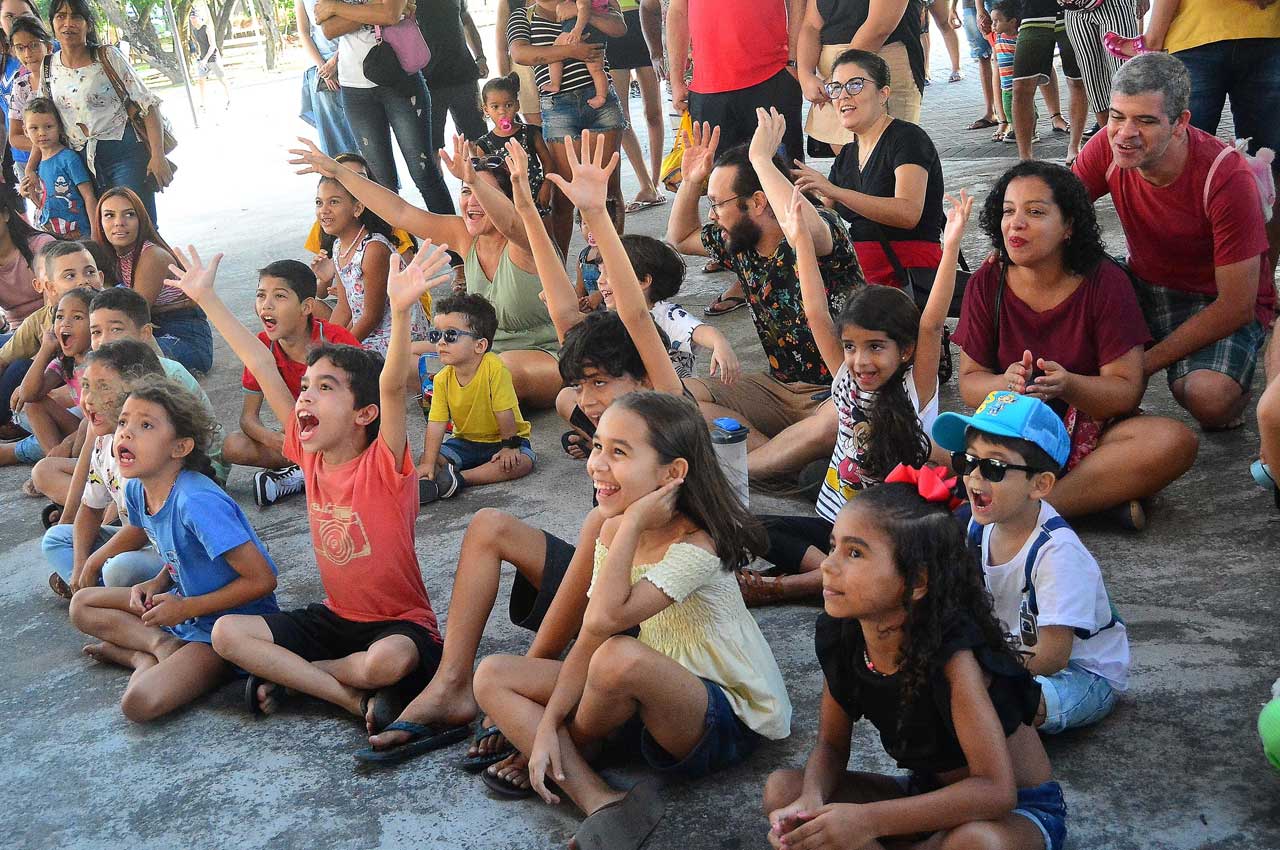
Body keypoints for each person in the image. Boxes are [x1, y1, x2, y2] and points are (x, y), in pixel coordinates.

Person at [355, 130, 687, 775]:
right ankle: (454, 687)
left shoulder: (668, 414)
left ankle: (543, 722)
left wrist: (592, 213)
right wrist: (533, 213)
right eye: (582, 384)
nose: (587, 398)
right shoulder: (602, 425)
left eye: (602, 383)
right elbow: (567, 309)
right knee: (490, 527)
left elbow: (640, 325)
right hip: (605, 591)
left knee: (578, 625)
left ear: (644, 380)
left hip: (658, 615)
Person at [475, 391, 792, 850]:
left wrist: (634, 522)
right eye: (599, 446)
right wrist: (545, 727)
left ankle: (573, 753)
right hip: (643, 695)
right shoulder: (612, 528)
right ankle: (597, 796)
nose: (598, 464)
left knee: (616, 657)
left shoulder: (698, 546)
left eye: (619, 452)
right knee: (493, 674)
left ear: (673, 474)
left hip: (719, 713)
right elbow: (587, 635)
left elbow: (606, 620)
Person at [178, 243, 454, 732]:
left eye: (325, 388)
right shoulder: (309, 455)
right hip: (334, 619)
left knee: (387, 663)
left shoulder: (385, 464)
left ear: (364, 415)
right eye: (306, 386)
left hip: (399, 625)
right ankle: (344, 696)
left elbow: (391, 385)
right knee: (227, 634)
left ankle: (300, 679)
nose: (305, 394)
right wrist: (207, 299)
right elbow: (263, 366)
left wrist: (403, 306)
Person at [763, 470, 1066, 850]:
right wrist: (812, 799)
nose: (828, 564)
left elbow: (995, 791)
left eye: (854, 553)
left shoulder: (954, 660)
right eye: (833, 545)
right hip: (927, 798)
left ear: (917, 582)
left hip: (1012, 814)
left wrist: (866, 821)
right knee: (784, 793)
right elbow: (831, 746)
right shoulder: (844, 636)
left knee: (975, 844)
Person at [740, 187, 960, 606]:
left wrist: (949, 248)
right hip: (836, 521)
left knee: (887, 566)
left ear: (905, 351)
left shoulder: (917, 391)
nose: (861, 360)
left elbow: (931, 324)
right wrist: (802, 239)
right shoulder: (845, 377)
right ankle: (828, 574)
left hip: (886, 536)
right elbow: (815, 311)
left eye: (876, 347)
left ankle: (790, 585)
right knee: (752, 528)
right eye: (852, 347)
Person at [956, 159, 1199, 528]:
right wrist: (1006, 384)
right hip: (1010, 435)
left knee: (1173, 441)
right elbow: (970, 383)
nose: (1016, 223)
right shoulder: (987, 281)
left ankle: (1032, 511)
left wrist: (1068, 385)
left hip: (1091, 440)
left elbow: (1125, 391)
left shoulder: (1106, 282)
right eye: (1008, 211)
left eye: (1035, 212)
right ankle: (1093, 506)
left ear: (1068, 226)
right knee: (925, 439)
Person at [1073, 53, 1273, 431]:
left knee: (1209, 399)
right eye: (1117, 116)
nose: (1124, 133)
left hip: (1214, 299)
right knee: (1050, 255)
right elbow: (1058, 207)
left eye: (1145, 120)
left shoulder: (1226, 176)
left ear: (1180, 123)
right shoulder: (1108, 143)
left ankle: (1243, 370)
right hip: (1144, 282)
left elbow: (1236, 306)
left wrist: (1140, 367)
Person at [289, 134, 564, 409]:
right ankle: (463, 396)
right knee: (400, 359)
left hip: (541, 354)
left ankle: (462, 397)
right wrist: (337, 170)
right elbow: (400, 212)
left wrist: (475, 181)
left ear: (507, 200)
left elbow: (511, 222)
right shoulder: (465, 236)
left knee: (500, 370)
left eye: (482, 192)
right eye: (466, 191)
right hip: (482, 351)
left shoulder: (528, 239)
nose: (471, 201)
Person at [666, 112, 865, 481]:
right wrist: (692, 182)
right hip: (778, 390)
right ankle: (778, 461)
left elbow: (801, 226)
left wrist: (761, 159)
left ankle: (745, 470)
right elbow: (680, 237)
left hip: (835, 392)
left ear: (757, 202)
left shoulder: (821, 229)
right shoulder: (739, 242)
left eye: (717, 203)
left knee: (835, 423)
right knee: (678, 397)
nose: (713, 216)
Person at [68, 379, 279, 723]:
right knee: (82, 604)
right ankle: (158, 646)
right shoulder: (138, 489)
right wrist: (156, 583)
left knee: (137, 703)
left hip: (227, 629)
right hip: (183, 608)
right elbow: (179, 554)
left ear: (179, 447)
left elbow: (263, 580)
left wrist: (186, 608)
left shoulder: (196, 501)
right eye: (123, 422)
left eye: (145, 425)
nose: (125, 434)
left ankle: (142, 658)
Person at [933, 392, 1131, 735]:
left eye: (993, 467)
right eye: (967, 461)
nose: (974, 478)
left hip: (1081, 673)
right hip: (1009, 651)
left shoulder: (1058, 553)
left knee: (1013, 701)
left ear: (1040, 484)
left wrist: (984, 669)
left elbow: (1054, 656)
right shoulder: (976, 527)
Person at [31, 285, 230, 509]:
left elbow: (164, 454)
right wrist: (70, 520)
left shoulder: (160, 375)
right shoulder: (104, 375)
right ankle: (104, 509)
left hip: (186, 473)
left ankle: (117, 512)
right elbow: (90, 444)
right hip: (132, 464)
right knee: (44, 471)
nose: (104, 340)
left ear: (144, 333)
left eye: (115, 329)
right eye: (96, 332)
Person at [668, 0, 807, 311]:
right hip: (709, 86)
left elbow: (797, 4)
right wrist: (677, 78)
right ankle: (742, 270)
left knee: (782, 176)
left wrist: (796, 63)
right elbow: (678, 12)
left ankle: (800, 264)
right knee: (724, 187)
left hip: (771, 75)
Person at [791, 49, 947, 289]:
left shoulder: (907, 138)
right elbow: (823, 216)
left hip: (907, 269)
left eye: (855, 85)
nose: (843, 96)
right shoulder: (847, 155)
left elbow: (908, 213)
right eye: (836, 87)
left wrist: (835, 191)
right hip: (862, 269)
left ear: (883, 94)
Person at [221, 259, 358, 506]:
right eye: (261, 296)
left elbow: (368, 402)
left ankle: (303, 473)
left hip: (343, 432)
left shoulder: (335, 340)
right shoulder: (262, 346)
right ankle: (307, 471)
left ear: (306, 307)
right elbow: (248, 418)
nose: (267, 306)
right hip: (299, 434)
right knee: (233, 445)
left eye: (280, 296)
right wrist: (277, 440)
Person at [41, 340, 166, 599]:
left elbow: (141, 528)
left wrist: (94, 562)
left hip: (166, 553)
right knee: (56, 539)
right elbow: (89, 509)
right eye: (85, 387)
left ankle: (102, 600)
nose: (88, 401)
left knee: (117, 569)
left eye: (103, 388)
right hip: (135, 546)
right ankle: (98, 595)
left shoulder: (148, 447)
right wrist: (79, 564)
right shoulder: (104, 442)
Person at [32, 0, 172, 224]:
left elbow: (148, 105)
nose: (68, 23)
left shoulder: (107, 56)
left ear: (88, 24)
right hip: (79, 163)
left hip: (124, 153)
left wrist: (157, 156)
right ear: (52, 24)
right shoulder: (48, 66)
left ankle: (157, 260)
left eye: (76, 16)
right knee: (103, 233)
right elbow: (42, 121)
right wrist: (31, 169)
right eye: (61, 16)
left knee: (137, 225)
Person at [507, 0, 628, 252]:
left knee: (609, 191)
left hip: (600, 101)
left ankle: (614, 271)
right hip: (558, 106)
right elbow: (520, 53)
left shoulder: (587, 2)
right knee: (563, 197)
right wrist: (572, 51)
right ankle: (561, 269)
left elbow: (619, 27)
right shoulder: (523, 15)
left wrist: (584, 13)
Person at [313, 0, 456, 214]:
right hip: (355, 88)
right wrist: (375, 11)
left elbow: (389, 14)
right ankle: (400, 246)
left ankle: (457, 245)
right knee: (381, 184)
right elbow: (330, 29)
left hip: (400, 80)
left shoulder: (336, 6)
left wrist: (335, 8)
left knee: (424, 174)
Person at [418, 293, 536, 501]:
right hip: (465, 442)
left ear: (480, 345)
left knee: (522, 462)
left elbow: (504, 412)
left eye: (451, 335)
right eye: (436, 335)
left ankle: (461, 478)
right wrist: (428, 462)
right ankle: (433, 479)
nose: (441, 342)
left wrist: (509, 446)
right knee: (428, 457)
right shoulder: (442, 378)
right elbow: (436, 423)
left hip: (504, 440)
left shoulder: (494, 368)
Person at [94, 187, 214, 376]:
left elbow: (132, 316)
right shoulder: (114, 255)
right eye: (109, 215)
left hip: (183, 337)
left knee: (121, 365)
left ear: (141, 220)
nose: (119, 223)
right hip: (152, 331)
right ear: (100, 223)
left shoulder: (152, 255)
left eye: (129, 215)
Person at [314, 171, 430, 355]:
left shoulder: (373, 249)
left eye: (334, 202)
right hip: (369, 335)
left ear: (358, 208)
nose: (324, 210)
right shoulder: (338, 247)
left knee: (337, 370)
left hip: (396, 338)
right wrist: (325, 345)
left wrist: (340, 350)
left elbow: (372, 316)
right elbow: (344, 308)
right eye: (319, 202)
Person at [796, 0, 928, 150]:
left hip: (878, 62)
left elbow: (880, 25)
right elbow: (811, 25)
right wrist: (805, 73)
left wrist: (836, 81)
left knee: (888, 154)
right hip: (831, 76)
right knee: (847, 159)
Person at [0, 240, 86, 441]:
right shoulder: (43, 321)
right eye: (70, 275)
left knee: (21, 367)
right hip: (62, 387)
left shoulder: (106, 315)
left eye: (89, 272)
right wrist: (46, 350)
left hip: (89, 405)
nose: (83, 281)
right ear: (46, 285)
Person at [2, 286, 92, 468]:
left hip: (102, 430)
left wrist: (67, 444)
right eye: (59, 317)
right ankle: (57, 464)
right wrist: (45, 349)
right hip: (82, 429)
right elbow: (29, 395)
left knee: (84, 427)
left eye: (77, 317)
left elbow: (105, 417)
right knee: (33, 403)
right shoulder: (64, 360)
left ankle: (60, 466)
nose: (65, 324)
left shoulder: (101, 361)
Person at [1009, 1, 1086, 163]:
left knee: (1077, 81)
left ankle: (1074, 147)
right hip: (1032, 14)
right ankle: (1025, 159)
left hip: (1071, 13)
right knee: (1020, 87)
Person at [609, 0, 667, 213]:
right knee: (621, 118)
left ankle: (654, 181)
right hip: (612, 27)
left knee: (653, 112)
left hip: (643, 25)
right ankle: (646, 184)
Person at [473, 73, 556, 211]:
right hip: (507, 205)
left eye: (508, 105)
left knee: (544, 231)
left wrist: (547, 186)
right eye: (495, 106)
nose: (502, 112)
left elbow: (548, 162)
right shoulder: (484, 145)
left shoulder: (531, 133)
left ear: (517, 105)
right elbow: (485, 178)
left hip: (536, 197)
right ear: (486, 109)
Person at [418, 0, 489, 152]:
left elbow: (466, 19)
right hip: (426, 80)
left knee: (477, 139)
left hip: (463, 74)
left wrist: (480, 57)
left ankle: (483, 175)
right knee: (432, 147)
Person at [1063, 0, 1137, 143]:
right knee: (1093, 80)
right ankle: (1111, 146)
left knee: (1125, 77)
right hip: (1075, 11)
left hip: (1114, 6)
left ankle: (1131, 140)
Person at [296, 0, 360, 157]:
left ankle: (372, 180)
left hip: (354, 59)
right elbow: (304, 32)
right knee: (334, 139)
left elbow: (361, 19)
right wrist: (322, 67)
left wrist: (335, 61)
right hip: (322, 68)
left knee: (364, 137)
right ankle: (339, 179)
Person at [24, 97, 95, 238]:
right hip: (51, 234)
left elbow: (89, 196)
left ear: (60, 127)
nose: (41, 133)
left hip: (79, 234)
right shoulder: (36, 164)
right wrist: (26, 190)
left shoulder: (69, 158)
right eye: (34, 128)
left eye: (48, 126)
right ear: (25, 131)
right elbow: (40, 199)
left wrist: (95, 232)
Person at [5, 13, 54, 183]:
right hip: (37, 164)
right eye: (20, 47)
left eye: (34, 45)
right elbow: (15, 136)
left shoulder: (62, 78)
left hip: (73, 159)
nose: (27, 53)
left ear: (48, 47)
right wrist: (44, 145)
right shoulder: (20, 86)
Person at [545, 0, 612, 109]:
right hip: (599, 33)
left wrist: (577, 29)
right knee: (597, 70)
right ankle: (601, 96)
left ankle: (555, 83)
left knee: (555, 53)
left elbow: (584, 8)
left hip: (579, 29)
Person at [497, 0, 544, 129]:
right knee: (538, 132)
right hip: (525, 76)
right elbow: (502, 48)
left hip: (560, 68)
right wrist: (505, 87)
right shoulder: (508, 2)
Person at [959, 0, 999, 130]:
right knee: (982, 55)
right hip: (969, 5)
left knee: (1000, 52)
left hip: (991, 4)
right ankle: (991, 111)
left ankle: (1004, 116)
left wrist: (980, 9)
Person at [188, 8, 231, 112]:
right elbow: (199, 45)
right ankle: (203, 104)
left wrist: (206, 59)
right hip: (203, 60)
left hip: (213, 58)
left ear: (199, 18)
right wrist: (199, 57)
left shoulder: (207, 28)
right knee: (201, 81)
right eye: (191, 19)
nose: (193, 21)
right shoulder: (194, 31)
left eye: (194, 18)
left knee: (222, 79)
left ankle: (229, 99)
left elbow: (213, 46)